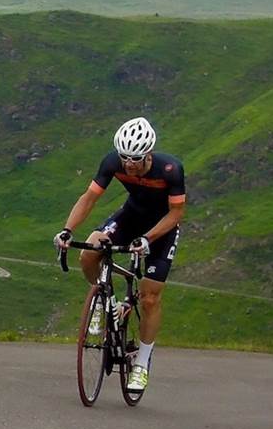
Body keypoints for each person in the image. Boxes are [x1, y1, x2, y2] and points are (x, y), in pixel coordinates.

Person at [52, 117, 186, 392]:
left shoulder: (170, 169)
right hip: (130, 218)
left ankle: (141, 364)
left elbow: (176, 213)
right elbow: (89, 197)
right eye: (124, 157)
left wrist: (148, 239)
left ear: (148, 154)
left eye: (135, 159)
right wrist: (67, 230)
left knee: (150, 298)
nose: (129, 164)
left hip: (161, 230)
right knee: (90, 250)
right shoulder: (113, 162)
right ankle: (106, 303)